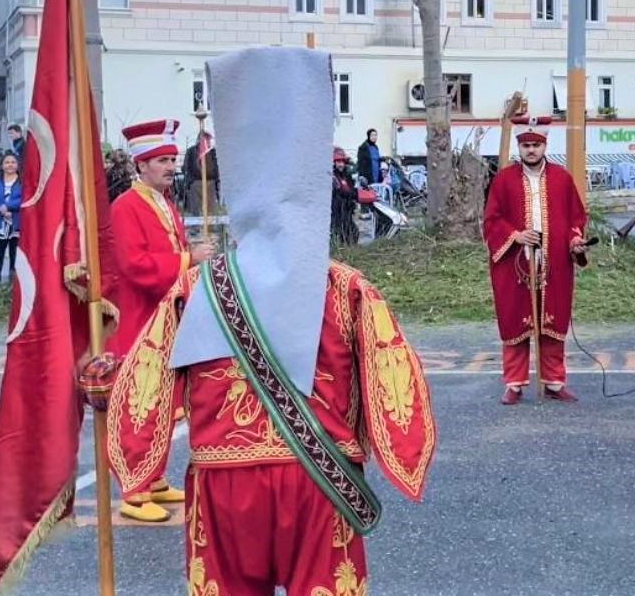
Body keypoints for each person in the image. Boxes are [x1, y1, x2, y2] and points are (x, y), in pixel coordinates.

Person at [106, 46, 436, 595]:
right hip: (320, 480)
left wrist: (111, 408)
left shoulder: (196, 287)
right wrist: (401, 454)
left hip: (223, 487)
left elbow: (146, 383)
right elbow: (393, 379)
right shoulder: (350, 290)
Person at [108, 119, 215, 522]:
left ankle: (153, 479)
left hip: (166, 319)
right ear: (142, 165)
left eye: (172, 158)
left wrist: (193, 255)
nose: (172, 166)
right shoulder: (126, 207)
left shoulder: (164, 202)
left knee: (165, 406)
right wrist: (189, 258)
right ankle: (133, 492)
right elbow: (135, 267)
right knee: (141, 404)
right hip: (139, 321)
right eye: (163, 160)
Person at [483, 115, 588, 405]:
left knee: (552, 320)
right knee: (515, 321)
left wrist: (575, 240)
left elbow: (576, 218)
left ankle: (554, 381)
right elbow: (491, 220)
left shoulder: (562, 178)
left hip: (553, 260)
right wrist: (515, 235)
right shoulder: (503, 180)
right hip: (515, 262)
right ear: (520, 147)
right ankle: (514, 383)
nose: (531, 150)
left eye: (536, 145)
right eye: (526, 145)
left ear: (544, 146)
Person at [0, 153, 22, 284]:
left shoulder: (23, 181)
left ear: (18, 165)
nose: (10, 165)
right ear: (2, 165)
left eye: (13, 162)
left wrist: (7, 206)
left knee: (15, 257)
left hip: (16, 224)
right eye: (7, 162)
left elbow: (24, 198)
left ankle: (14, 286)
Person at [183, 131, 220, 216]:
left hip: (211, 181)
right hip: (195, 180)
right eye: (205, 138)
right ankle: (196, 223)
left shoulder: (214, 152)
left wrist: (217, 178)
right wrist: (190, 179)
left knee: (210, 190)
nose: (208, 141)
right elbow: (185, 167)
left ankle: (211, 223)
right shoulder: (191, 151)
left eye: (209, 139)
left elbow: (218, 167)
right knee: (195, 188)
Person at [331, 146, 359, 245]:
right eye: (338, 161)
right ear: (334, 162)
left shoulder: (347, 175)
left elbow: (351, 189)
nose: (341, 164)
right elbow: (340, 192)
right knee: (339, 232)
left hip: (347, 209)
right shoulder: (332, 176)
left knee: (354, 232)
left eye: (342, 161)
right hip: (337, 211)